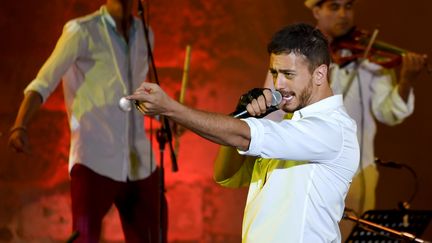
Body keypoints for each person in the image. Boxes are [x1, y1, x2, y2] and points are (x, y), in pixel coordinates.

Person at [128, 23, 360, 242]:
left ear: (320, 74)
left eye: (288, 74)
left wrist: (170, 108)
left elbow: (245, 136)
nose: (278, 84)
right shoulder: (290, 126)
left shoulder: (333, 129)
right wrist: (242, 115)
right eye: (274, 73)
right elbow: (226, 175)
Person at [8, 0, 167, 242]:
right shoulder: (81, 30)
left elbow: (138, 93)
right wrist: (21, 124)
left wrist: (165, 116)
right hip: (94, 157)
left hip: (140, 161)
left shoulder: (146, 34)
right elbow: (43, 82)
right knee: (84, 237)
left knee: (152, 236)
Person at [302, 0, 428, 240]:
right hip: (310, 167)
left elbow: (389, 112)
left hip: (359, 170)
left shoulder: (369, 58)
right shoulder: (299, 55)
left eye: (348, 6)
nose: (343, 14)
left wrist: (406, 81)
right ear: (316, 10)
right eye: (334, 7)